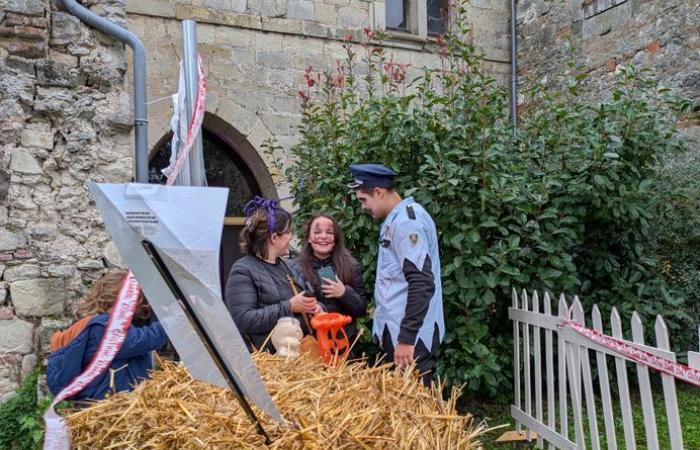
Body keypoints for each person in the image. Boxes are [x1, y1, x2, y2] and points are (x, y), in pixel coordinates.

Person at [348, 163, 444, 385]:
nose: (363, 207)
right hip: (400, 334)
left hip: (412, 341)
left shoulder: (407, 223)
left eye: (364, 200)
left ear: (379, 192)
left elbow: (422, 282)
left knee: (413, 412)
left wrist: (406, 338)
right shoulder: (397, 219)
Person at [46, 270, 168, 401]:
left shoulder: (97, 324)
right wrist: (175, 318)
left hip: (113, 403)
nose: (137, 312)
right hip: (106, 405)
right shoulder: (101, 327)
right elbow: (143, 340)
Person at [224, 196, 320, 351]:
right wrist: (289, 306)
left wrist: (317, 308)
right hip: (270, 361)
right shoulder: (242, 270)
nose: (291, 236)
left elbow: (309, 298)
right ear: (274, 237)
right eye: (288, 232)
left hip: (303, 355)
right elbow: (243, 320)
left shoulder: (290, 266)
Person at [289, 214, 368, 348]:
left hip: (344, 343)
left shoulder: (351, 265)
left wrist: (344, 293)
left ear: (336, 238)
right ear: (309, 237)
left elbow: (361, 308)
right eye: (317, 232)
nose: (323, 236)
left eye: (329, 232)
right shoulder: (295, 268)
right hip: (310, 344)